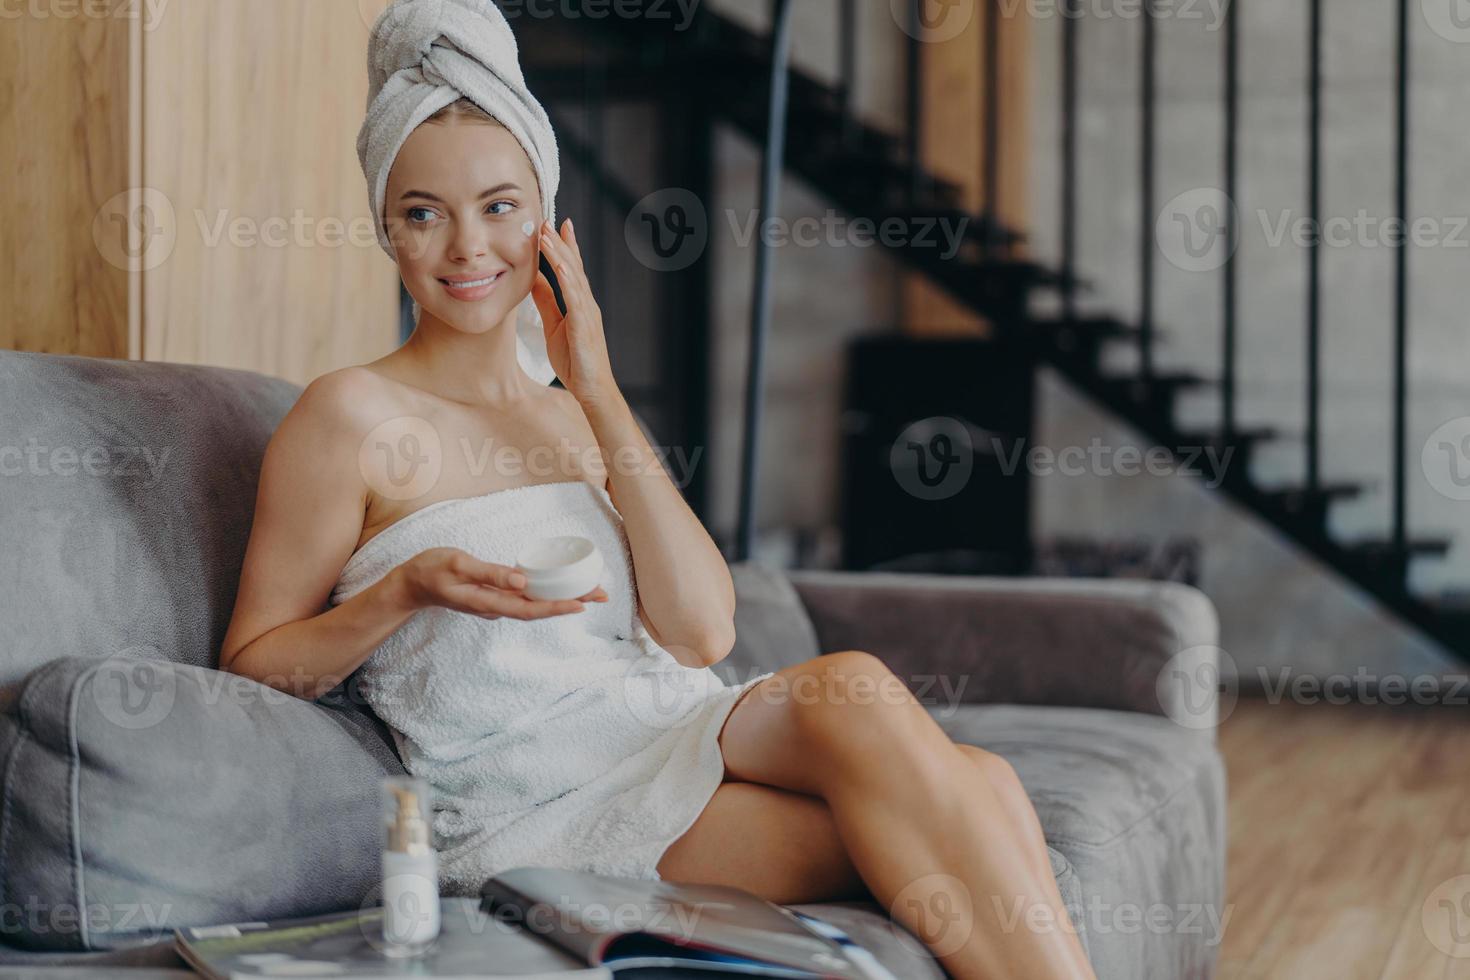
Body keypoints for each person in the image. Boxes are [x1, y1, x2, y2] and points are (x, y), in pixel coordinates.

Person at [219, 3, 1095, 977]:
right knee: (975, 797)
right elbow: (256, 666)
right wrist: (405, 588)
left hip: (668, 721)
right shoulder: (345, 417)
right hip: (537, 804)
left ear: (550, 224)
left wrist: (594, 383)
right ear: (387, 226)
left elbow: (703, 634)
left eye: (501, 206)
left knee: (862, 694)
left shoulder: (569, 410)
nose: (468, 246)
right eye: (424, 212)